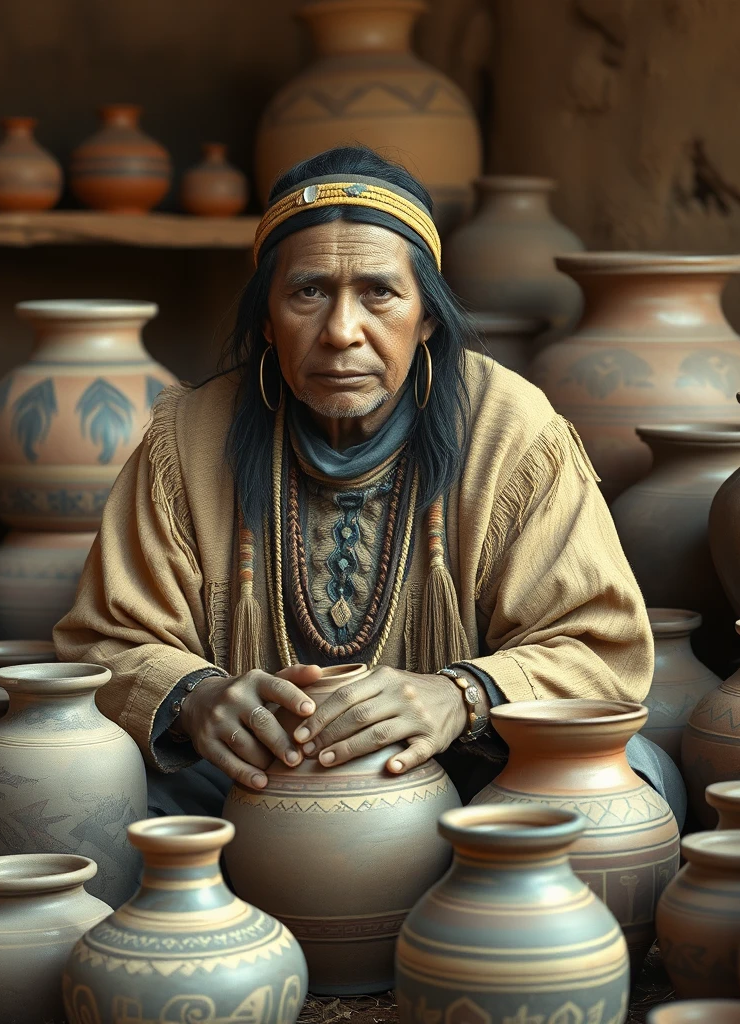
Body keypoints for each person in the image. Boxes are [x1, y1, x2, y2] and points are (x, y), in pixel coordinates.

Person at [53, 145, 685, 822]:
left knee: (613, 792)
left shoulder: (513, 432)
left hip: (470, 784)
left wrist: (463, 695)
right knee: (75, 786)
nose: (341, 332)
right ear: (267, 319)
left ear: (428, 317)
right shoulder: (188, 438)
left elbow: (600, 645)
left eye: (379, 293)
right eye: (308, 292)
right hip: (248, 792)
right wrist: (194, 698)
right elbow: (104, 641)